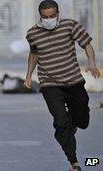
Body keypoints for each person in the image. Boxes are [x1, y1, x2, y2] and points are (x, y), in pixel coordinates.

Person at [24, 1, 101, 171]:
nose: (49, 19)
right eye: (45, 17)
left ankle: (70, 124)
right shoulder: (32, 33)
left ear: (58, 13)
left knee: (83, 121)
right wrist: (29, 75)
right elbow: (34, 53)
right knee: (61, 122)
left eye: (52, 16)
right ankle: (74, 162)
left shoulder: (70, 25)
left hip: (73, 80)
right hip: (49, 83)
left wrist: (92, 62)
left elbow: (86, 43)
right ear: (40, 16)